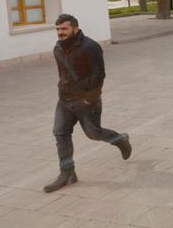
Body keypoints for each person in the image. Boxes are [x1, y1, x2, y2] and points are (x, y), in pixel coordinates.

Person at [43, 13, 132, 193]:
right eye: (58, 29)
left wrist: (89, 99)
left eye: (64, 28)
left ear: (75, 29)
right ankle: (67, 173)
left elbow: (99, 75)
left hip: (86, 101)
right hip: (65, 100)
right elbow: (63, 74)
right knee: (60, 134)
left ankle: (120, 139)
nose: (60, 32)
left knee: (93, 133)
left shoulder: (91, 47)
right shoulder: (58, 48)